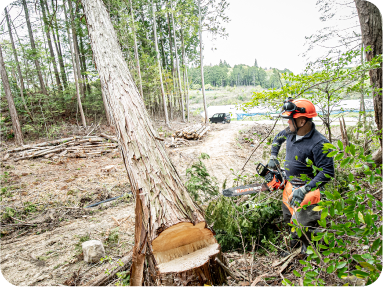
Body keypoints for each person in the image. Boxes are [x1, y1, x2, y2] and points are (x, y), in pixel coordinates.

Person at [267, 97, 334, 254]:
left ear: (302, 121)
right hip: (290, 185)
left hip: (309, 189)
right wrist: (273, 156)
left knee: (305, 225)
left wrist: (305, 189)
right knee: (288, 218)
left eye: (290, 120)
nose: (288, 123)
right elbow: (277, 138)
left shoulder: (319, 143)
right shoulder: (291, 132)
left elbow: (328, 172)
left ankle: (315, 254)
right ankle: (296, 247)